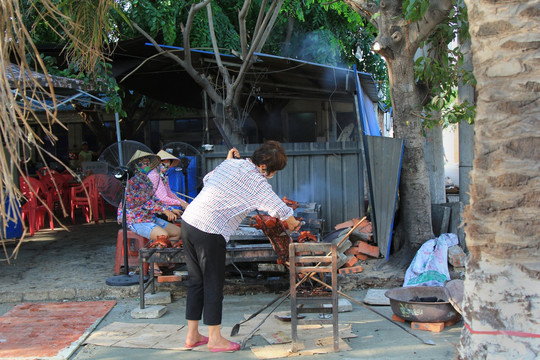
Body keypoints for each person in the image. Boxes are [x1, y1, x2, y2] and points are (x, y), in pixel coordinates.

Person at [180, 141, 301, 352]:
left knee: (196, 281)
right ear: (264, 167)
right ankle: (215, 339)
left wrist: (228, 162)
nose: (271, 175)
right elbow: (278, 207)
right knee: (212, 284)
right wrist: (293, 223)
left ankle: (192, 335)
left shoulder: (230, 165)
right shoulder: (256, 179)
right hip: (210, 229)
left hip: (189, 222)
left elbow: (209, 179)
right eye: (272, 171)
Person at [118, 150, 183, 265]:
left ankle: (166, 259)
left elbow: (154, 199)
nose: (146, 165)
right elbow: (144, 202)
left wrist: (171, 209)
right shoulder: (132, 181)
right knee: (162, 235)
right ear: (136, 165)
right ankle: (154, 265)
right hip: (136, 219)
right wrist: (164, 210)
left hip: (149, 217)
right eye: (142, 163)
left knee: (177, 232)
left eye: (147, 163)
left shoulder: (146, 180)